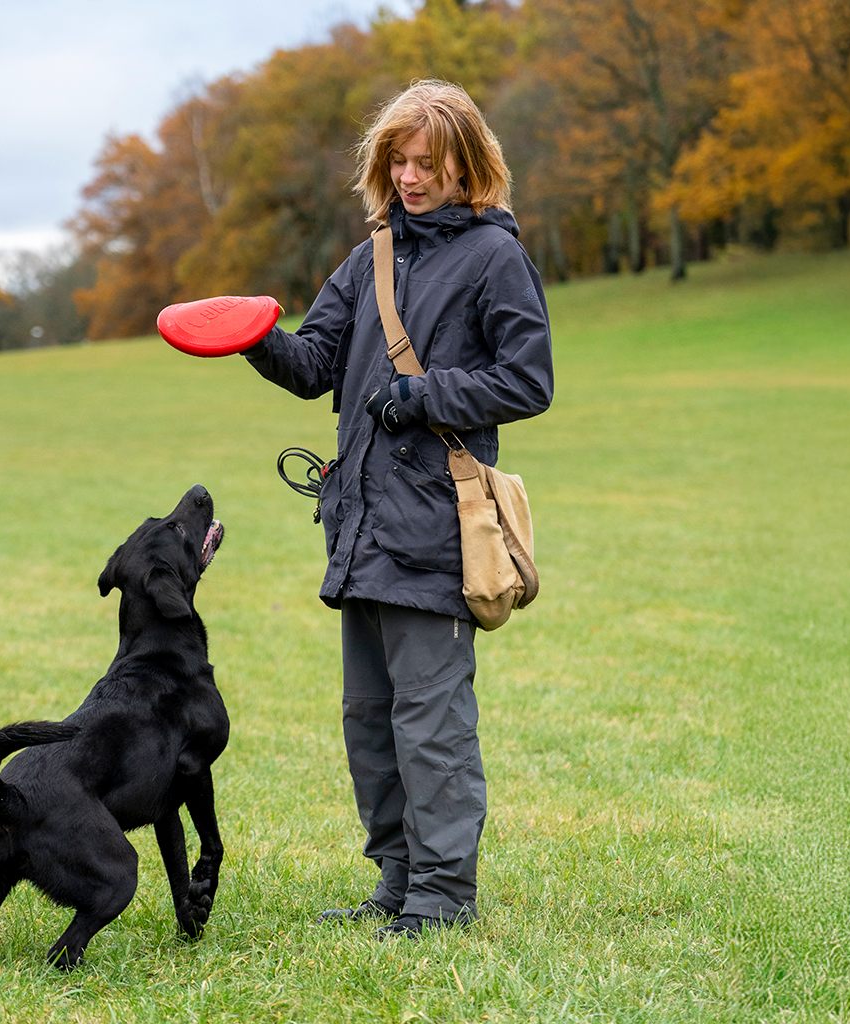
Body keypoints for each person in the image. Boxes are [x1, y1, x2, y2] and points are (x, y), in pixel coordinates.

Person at [242, 79, 554, 937]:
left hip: (440, 528)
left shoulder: (496, 258)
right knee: (369, 721)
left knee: (432, 724)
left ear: (468, 167)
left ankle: (442, 899)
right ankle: (395, 881)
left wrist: (423, 396)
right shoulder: (370, 255)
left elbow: (529, 381)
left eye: (430, 164)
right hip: (363, 526)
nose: (411, 178)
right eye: (399, 162)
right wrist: (252, 337)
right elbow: (314, 365)